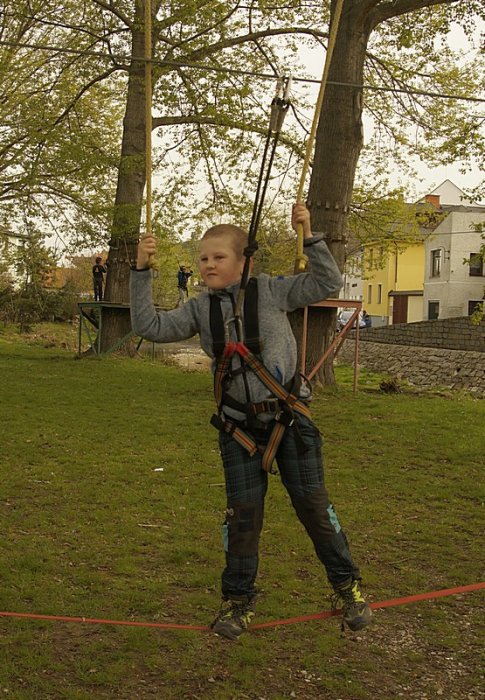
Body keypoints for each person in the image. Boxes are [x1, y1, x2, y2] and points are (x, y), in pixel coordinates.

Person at [130, 203, 372, 640]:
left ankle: (347, 588)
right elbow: (149, 325)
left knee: (314, 509)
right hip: (238, 429)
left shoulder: (272, 291)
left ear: (244, 262)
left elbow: (326, 282)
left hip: (289, 422)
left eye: (219, 257)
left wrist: (309, 236)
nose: (208, 265)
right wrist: (141, 271)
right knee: (242, 518)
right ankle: (238, 602)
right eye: (204, 258)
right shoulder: (200, 308)